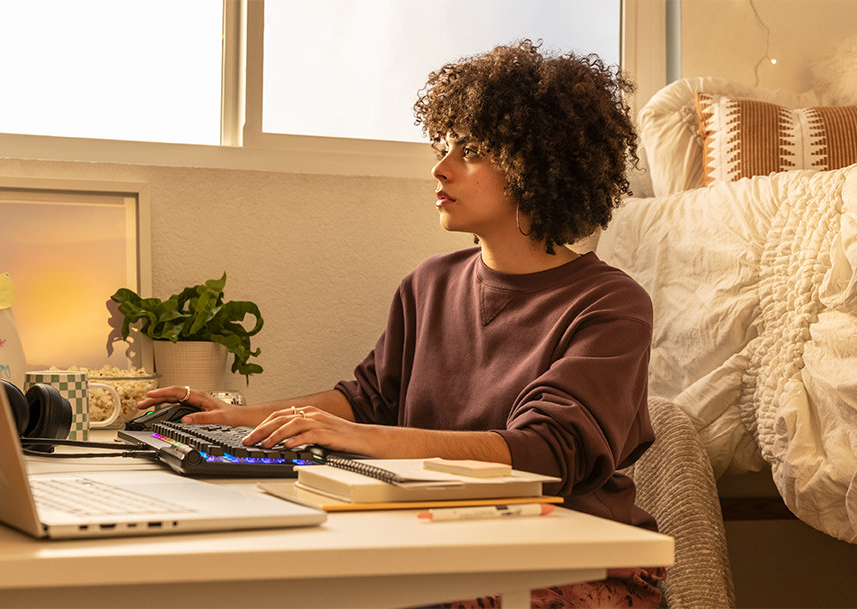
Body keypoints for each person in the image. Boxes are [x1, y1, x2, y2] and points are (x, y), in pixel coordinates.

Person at [137, 40, 664, 609]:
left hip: (571, 559)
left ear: (537, 165)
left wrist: (367, 441)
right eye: (444, 146)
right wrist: (231, 416)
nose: (440, 167)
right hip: (443, 540)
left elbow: (547, 454)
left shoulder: (610, 304)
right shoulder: (429, 283)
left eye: (473, 151)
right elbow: (365, 401)